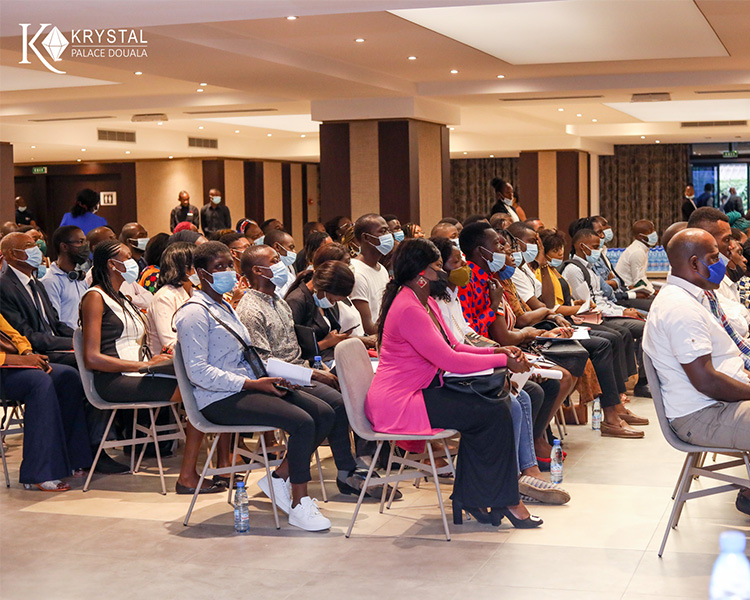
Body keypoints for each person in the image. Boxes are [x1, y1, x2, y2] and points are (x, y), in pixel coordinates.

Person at [366, 237, 542, 527]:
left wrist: (498, 352)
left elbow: (456, 346)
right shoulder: (409, 308)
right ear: (422, 273)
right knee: (493, 411)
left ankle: (476, 496)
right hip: (400, 402)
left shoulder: (425, 301)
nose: (443, 272)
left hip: (421, 391)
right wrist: (502, 361)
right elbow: (450, 360)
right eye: (437, 267)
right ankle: (502, 499)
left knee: (495, 408)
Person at [174, 241, 335, 530]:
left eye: (229, 265)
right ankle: (299, 504)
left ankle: (279, 478)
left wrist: (275, 378)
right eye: (218, 267)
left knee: (324, 412)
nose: (228, 272)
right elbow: (198, 372)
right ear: (202, 273)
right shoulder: (194, 313)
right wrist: (251, 384)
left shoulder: (224, 306)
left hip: (246, 386)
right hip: (219, 398)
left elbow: (245, 356)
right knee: (303, 422)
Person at [237, 244, 388, 498]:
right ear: (258, 271)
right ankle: (324, 472)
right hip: (276, 381)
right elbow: (263, 364)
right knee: (333, 407)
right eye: (273, 261)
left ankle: (343, 471)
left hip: (297, 372)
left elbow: (295, 350)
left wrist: (312, 369)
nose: (281, 264)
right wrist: (313, 374)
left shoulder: (278, 302)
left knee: (340, 401)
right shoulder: (251, 310)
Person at [643, 227, 750, 516]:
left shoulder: (695, 295)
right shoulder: (680, 308)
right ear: (694, 263)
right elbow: (706, 381)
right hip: (702, 414)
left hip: (717, 403)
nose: (722, 264)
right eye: (714, 258)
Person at [0, 313, 91, 491]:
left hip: (9, 366)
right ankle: (39, 472)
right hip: (5, 367)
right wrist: (19, 360)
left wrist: (28, 353)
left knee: (67, 376)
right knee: (38, 381)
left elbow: (12, 334)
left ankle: (72, 459)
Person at [562, 228, 651, 397]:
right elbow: (589, 305)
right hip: (595, 317)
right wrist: (623, 312)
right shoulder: (574, 270)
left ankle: (634, 380)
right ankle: (637, 383)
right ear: (582, 247)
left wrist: (623, 310)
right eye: (595, 247)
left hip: (608, 310)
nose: (598, 250)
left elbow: (605, 297)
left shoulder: (590, 268)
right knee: (637, 330)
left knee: (649, 322)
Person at [0, 232, 76, 366]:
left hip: (55, 345)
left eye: (35, 245)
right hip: (37, 351)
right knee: (87, 359)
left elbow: (55, 324)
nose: (36, 250)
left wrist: (80, 337)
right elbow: (26, 334)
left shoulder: (37, 283)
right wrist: (72, 342)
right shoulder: (4, 286)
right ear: (12, 254)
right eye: (29, 246)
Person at [285, 259, 353, 365]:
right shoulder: (296, 301)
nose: (333, 304)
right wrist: (326, 343)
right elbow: (293, 350)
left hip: (332, 356)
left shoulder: (319, 298)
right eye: (332, 299)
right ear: (322, 288)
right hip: (314, 362)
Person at [86, 226, 153, 311]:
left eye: (115, 237)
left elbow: (149, 298)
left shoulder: (124, 274)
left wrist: (130, 299)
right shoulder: (92, 278)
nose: (115, 241)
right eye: (110, 239)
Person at [39, 226, 90, 330]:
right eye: (80, 242)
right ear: (64, 247)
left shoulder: (80, 278)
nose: (84, 246)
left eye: (85, 242)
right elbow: (54, 323)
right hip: (67, 338)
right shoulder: (50, 281)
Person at [350, 214, 393, 335]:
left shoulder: (382, 269)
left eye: (388, 231)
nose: (388, 235)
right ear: (366, 237)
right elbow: (367, 326)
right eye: (383, 231)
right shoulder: (356, 272)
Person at [615, 219, 659, 293]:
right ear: (640, 236)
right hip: (626, 292)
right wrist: (653, 292)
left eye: (653, 230)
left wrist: (653, 289)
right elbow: (638, 282)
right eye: (650, 232)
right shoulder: (637, 252)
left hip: (632, 289)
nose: (654, 233)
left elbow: (642, 278)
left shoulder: (641, 248)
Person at [263, 229, 297, 298]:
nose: (294, 251)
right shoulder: (268, 273)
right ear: (277, 247)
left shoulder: (288, 270)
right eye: (291, 247)